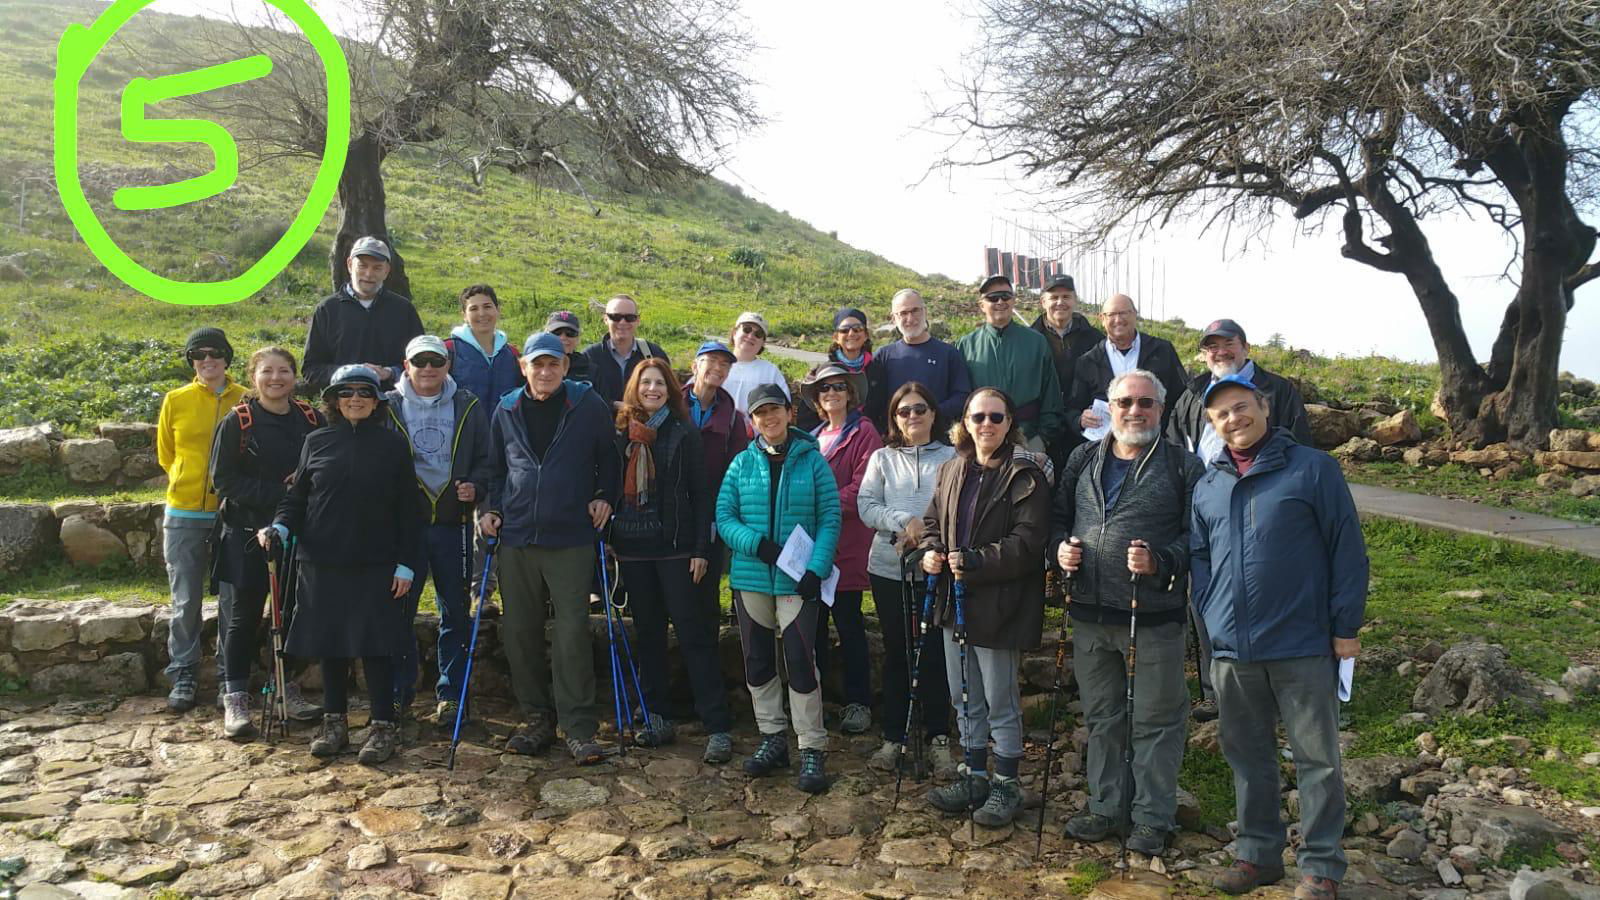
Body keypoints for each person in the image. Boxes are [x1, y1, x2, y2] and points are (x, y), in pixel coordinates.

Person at [1191, 375, 1368, 900]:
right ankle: (1258, 854)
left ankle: (1321, 867)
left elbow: (1347, 550)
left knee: (1317, 760)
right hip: (1232, 650)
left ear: (1263, 408)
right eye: (1221, 414)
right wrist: (1210, 611)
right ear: (1212, 425)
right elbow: (1200, 557)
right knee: (1248, 759)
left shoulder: (1314, 469)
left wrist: (1345, 629)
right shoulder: (1208, 485)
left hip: (1302, 644)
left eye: (1240, 407)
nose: (1233, 419)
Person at [1050, 369, 1204, 854]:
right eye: (1124, 403)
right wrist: (1059, 550)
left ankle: (1152, 819)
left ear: (1161, 410)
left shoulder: (1183, 466)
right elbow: (1056, 518)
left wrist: (1162, 561)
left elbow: (1196, 538)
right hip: (1091, 614)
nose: (1134, 411)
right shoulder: (1082, 457)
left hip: (1153, 615)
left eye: (1145, 403)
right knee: (1102, 717)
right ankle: (1104, 807)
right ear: (1109, 408)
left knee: (1156, 721)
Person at [262, 365, 421, 765]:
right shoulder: (316, 441)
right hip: (321, 561)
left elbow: (408, 509)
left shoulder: (392, 445)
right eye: (346, 393)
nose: (355, 399)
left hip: (377, 561)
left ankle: (383, 724)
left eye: (364, 393)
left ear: (377, 401)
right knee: (330, 643)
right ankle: (335, 723)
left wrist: (407, 563)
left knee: (377, 646)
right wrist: (279, 527)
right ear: (333, 400)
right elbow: (296, 499)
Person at [480, 333, 621, 764]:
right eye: (537, 364)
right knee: (519, 632)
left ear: (565, 365)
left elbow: (610, 459)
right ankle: (536, 719)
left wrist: (604, 495)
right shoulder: (506, 409)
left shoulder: (588, 405)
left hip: (570, 535)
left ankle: (578, 727)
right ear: (523, 366)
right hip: (517, 535)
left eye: (553, 364)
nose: (545, 372)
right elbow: (494, 468)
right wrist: (489, 508)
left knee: (572, 632)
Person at [917, 388, 1051, 827]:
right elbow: (933, 521)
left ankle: (1007, 781)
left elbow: (1029, 544)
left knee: (999, 698)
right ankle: (974, 773)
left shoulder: (1025, 475)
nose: (987, 425)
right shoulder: (952, 468)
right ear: (966, 422)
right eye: (979, 417)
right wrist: (932, 551)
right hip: (951, 602)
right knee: (963, 694)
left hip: (1000, 604)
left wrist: (975, 561)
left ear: (1010, 423)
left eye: (996, 416)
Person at [1166, 317, 1312, 722]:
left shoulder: (1278, 391)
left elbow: (1300, 449)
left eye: (1227, 343)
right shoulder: (1193, 393)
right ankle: (1219, 692)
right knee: (1208, 596)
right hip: (1207, 511)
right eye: (1211, 347)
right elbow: (1177, 448)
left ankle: (1276, 691)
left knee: (1268, 592)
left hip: (1263, 510)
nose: (1220, 352)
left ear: (1245, 346)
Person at [716, 384, 840, 794]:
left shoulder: (813, 462)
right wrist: (757, 545)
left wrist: (817, 568)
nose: (768, 419)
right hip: (752, 577)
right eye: (759, 414)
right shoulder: (740, 464)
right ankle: (772, 737)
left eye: (774, 411)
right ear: (752, 421)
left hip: (797, 579)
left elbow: (829, 519)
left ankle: (811, 745)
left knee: (801, 659)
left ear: (790, 413)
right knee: (757, 659)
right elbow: (725, 515)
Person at [610, 358, 734, 763]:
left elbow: (701, 494)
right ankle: (655, 716)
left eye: (659, 383)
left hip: (679, 549)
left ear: (670, 390)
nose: (652, 389)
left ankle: (716, 725)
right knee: (648, 637)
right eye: (645, 383)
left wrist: (702, 548)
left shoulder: (684, 432)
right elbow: (610, 486)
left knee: (694, 636)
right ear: (634, 388)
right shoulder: (621, 433)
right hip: (633, 548)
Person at [209, 347, 326, 738]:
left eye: (284, 371)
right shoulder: (238, 421)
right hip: (246, 533)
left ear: (294, 376)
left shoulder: (311, 418)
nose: (276, 378)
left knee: (293, 611)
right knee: (243, 617)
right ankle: (236, 696)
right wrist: (281, 494)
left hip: (297, 533)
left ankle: (284, 686)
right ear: (253, 377)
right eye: (267, 372)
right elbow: (224, 480)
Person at [384, 335, 491, 728]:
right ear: (405, 364)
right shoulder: (386, 405)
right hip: (405, 528)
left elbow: (486, 460)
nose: (428, 369)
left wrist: (475, 487)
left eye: (436, 361)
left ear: (448, 364)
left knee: (455, 614)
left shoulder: (469, 404)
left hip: (453, 524)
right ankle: (399, 692)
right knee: (399, 613)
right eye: (420, 361)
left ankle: (452, 695)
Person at [857, 381, 957, 776]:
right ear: (894, 418)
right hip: (888, 567)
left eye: (919, 409)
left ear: (933, 413)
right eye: (904, 411)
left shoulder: (953, 457)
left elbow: (958, 507)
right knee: (898, 653)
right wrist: (904, 521)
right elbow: (867, 504)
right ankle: (893, 737)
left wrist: (926, 536)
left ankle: (939, 738)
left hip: (936, 568)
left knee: (934, 653)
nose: (912, 416)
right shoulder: (882, 458)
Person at [157, 327, 245, 713]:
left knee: (233, 598)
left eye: (214, 353)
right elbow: (167, 453)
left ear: (227, 357)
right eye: (198, 354)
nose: (206, 360)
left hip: (233, 512)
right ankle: (184, 671)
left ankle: (230, 673)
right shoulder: (175, 400)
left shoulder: (247, 398)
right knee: (185, 598)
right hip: (184, 510)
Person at [800, 362, 882, 736]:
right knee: (811, 630)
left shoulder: (864, 433)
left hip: (847, 548)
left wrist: (822, 506)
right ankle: (812, 701)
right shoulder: (811, 437)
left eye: (838, 387)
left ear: (851, 393)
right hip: (812, 551)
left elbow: (864, 487)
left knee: (849, 629)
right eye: (824, 389)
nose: (831, 393)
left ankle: (858, 703)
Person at [682, 341, 750, 626]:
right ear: (695, 365)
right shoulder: (668, 405)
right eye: (712, 361)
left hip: (710, 514)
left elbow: (736, 471)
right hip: (667, 515)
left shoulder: (734, 419)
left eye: (725, 364)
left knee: (705, 596)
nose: (718, 368)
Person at [954, 275, 1064, 452]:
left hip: (1029, 437)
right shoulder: (965, 346)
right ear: (982, 304)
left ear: (1013, 301)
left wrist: (1044, 438)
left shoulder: (1037, 342)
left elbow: (1051, 394)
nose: (1000, 301)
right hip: (983, 439)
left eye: (1005, 296)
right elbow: (960, 398)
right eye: (992, 297)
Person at [302, 236, 425, 392]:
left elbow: (421, 363)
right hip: (342, 406)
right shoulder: (327, 310)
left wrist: (389, 372)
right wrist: (347, 373)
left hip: (392, 406)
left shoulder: (403, 310)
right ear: (349, 265)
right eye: (362, 266)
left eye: (377, 268)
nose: (368, 274)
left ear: (386, 271)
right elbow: (311, 369)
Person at [1065, 293, 1188, 443]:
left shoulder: (1162, 351)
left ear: (1135, 315)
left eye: (1124, 313)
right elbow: (1072, 409)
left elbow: (1182, 399)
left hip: (1156, 444)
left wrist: (1171, 435)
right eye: (1111, 315)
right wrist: (1080, 420)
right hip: (1106, 448)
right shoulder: (1087, 361)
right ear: (1102, 319)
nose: (1118, 319)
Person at [867, 289, 972, 433]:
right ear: (893, 318)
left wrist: (928, 414)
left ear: (925, 312)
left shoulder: (948, 353)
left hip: (939, 442)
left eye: (915, 310)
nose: (910, 318)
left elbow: (962, 396)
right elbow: (874, 403)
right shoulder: (883, 356)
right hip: (897, 443)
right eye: (903, 313)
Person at [1029, 274, 1103, 461]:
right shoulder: (1028, 340)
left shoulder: (1096, 340)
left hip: (1084, 431)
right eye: (1054, 297)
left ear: (1075, 300)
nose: (1060, 302)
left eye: (1066, 297)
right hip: (1040, 432)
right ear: (1043, 301)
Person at [797, 308, 882, 432]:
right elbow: (806, 421)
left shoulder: (878, 371)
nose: (851, 333)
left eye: (857, 328)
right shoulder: (821, 373)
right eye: (844, 330)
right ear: (836, 337)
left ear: (866, 335)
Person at [581, 294, 669, 409]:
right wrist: (615, 405)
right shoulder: (590, 356)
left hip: (646, 424)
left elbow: (669, 393)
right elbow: (583, 397)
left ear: (637, 320)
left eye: (629, 318)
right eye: (616, 317)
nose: (622, 322)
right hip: (600, 424)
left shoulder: (654, 354)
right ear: (605, 319)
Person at [446, 284, 522, 409]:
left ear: (498, 310)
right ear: (464, 315)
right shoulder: (449, 350)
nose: (482, 313)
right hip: (464, 428)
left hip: (503, 427)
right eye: (473, 309)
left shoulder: (512, 354)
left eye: (487, 307)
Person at [723, 312, 791, 416]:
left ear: (763, 342)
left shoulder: (771, 371)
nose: (751, 336)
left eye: (758, 334)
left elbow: (784, 409)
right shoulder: (716, 364)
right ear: (734, 333)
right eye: (746, 329)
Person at [545, 311, 592, 386]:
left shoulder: (590, 370)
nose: (563, 337)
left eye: (570, 333)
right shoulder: (533, 367)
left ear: (578, 338)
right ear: (545, 335)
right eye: (557, 332)